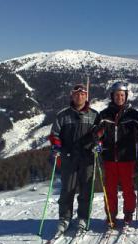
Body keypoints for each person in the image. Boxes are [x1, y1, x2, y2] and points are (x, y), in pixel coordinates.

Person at [94, 82, 138, 228]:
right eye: (117, 95)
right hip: (109, 157)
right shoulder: (104, 114)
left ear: (126, 97)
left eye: (122, 95)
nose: (120, 97)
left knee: (128, 188)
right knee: (110, 189)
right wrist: (97, 136)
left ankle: (128, 213)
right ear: (112, 96)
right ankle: (111, 214)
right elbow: (97, 131)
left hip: (127, 157)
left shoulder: (133, 114)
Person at [48, 83, 99, 234]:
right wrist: (56, 146)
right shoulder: (63, 115)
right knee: (67, 190)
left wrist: (98, 145)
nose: (79, 96)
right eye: (76, 94)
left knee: (86, 190)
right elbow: (54, 134)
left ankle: (83, 217)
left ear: (86, 96)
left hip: (87, 158)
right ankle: (65, 218)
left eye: (82, 94)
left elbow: (100, 134)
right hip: (69, 158)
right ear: (72, 96)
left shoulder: (94, 115)